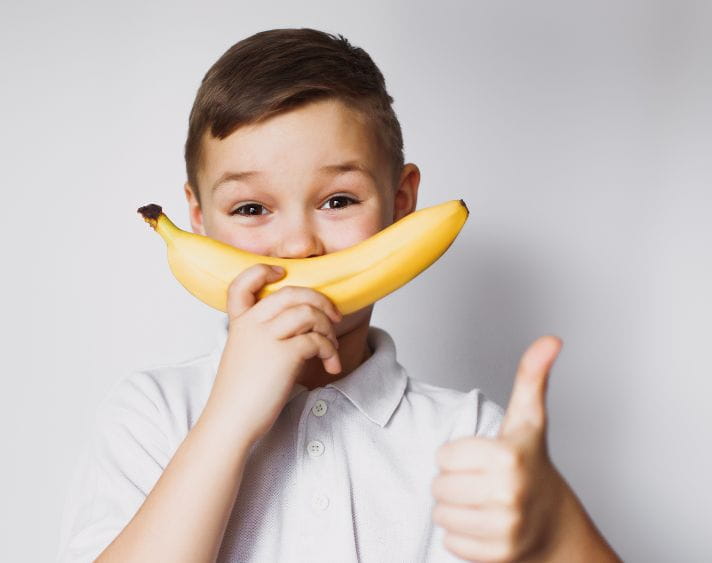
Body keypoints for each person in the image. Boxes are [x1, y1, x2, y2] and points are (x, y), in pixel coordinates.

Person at [56, 28, 620, 562]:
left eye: (339, 200)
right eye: (251, 208)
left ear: (400, 205)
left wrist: (559, 526)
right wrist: (228, 419)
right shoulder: (153, 413)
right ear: (199, 220)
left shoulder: (471, 435)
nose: (300, 246)